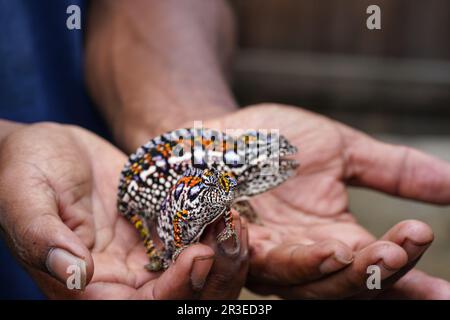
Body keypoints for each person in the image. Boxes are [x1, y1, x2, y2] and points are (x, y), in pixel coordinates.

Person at [0, 0, 449, 299]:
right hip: (99, 211)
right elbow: (173, 210)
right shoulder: (199, 192)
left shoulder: (222, 182)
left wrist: (184, 110)